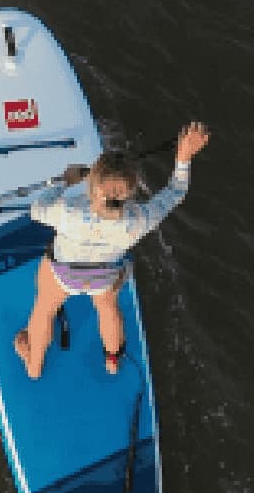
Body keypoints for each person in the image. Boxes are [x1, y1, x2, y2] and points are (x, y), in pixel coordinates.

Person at [15, 122, 209, 377]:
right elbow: (175, 192)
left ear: (92, 186)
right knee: (107, 308)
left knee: (44, 309)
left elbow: (38, 209)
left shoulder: (69, 212)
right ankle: (112, 361)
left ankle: (34, 365)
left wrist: (63, 182)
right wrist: (183, 158)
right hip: (104, 278)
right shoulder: (140, 219)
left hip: (64, 274)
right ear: (133, 189)